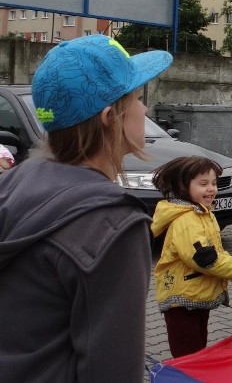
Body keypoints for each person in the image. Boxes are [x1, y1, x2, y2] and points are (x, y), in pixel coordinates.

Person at [0, 34, 173, 381]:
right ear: (110, 117)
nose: (145, 109)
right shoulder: (112, 225)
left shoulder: (17, 180)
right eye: (137, 98)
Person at [151, 156, 232, 358]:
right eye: (203, 184)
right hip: (182, 301)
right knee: (188, 357)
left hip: (195, 295)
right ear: (183, 186)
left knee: (198, 351)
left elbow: (213, 249)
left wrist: (231, 259)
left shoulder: (202, 213)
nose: (211, 189)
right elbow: (204, 258)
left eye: (214, 183)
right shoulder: (186, 220)